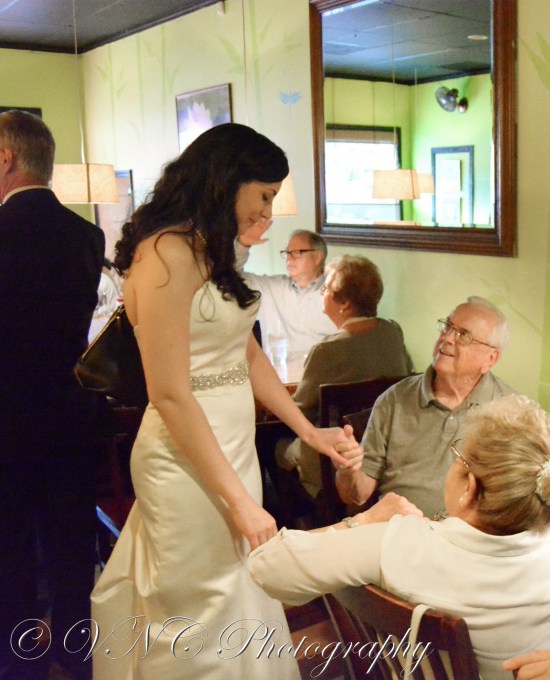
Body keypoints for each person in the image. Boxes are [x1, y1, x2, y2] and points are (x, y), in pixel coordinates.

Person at [90, 123, 358, 679]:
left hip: (233, 449)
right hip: (184, 459)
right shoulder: (165, 253)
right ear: (228, 180)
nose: (267, 212)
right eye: (264, 195)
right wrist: (237, 500)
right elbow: (169, 393)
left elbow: (245, 353)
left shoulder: (212, 249)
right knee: (199, 606)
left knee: (239, 591)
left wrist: (308, 431)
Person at [250, 395, 550, 680]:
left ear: (469, 487)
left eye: (457, 457)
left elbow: (267, 566)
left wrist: (365, 519)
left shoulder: (402, 545)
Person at [0, 110, 106, 680]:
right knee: (70, 545)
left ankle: (19, 664)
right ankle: (74, 652)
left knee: (11, 551)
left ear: (5, 159)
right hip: (69, 412)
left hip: (6, 417)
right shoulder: (86, 235)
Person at [335, 295, 516, 517]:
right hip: (399, 530)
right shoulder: (395, 399)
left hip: (469, 535)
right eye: (448, 327)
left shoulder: (512, 413)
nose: (447, 338)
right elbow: (357, 496)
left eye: (463, 335)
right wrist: (349, 469)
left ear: (491, 358)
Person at [277, 254, 414, 497]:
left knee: (270, 442)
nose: (322, 294)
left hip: (334, 460)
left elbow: (300, 410)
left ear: (345, 304)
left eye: (326, 290)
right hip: (384, 454)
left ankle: (299, 514)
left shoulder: (327, 350)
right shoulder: (392, 331)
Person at [237, 227, 336, 355]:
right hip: (277, 367)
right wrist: (243, 245)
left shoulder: (337, 292)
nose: (289, 258)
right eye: (287, 252)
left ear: (317, 257)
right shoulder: (271, 288)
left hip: (323, 366)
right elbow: (231, 278)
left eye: (296, 252)